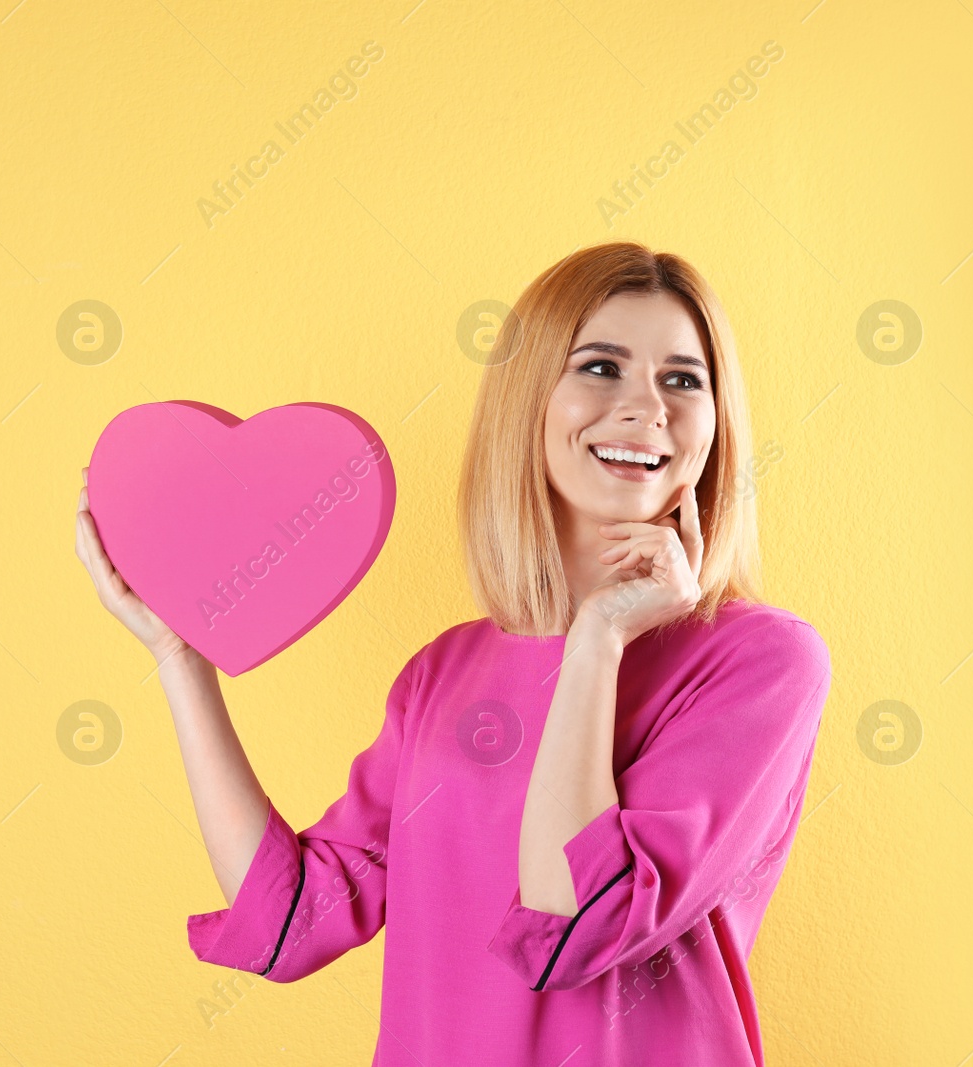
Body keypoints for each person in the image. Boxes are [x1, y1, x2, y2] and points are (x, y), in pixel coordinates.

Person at [74, 241, 831, 1065]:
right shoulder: (443, 673)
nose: (648, 408)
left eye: (684, 379)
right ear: (529, 398)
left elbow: (575, 921)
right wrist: (181, 658)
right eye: (601, 367)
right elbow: (293, 920)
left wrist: (599, 637)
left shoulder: (763, 662)